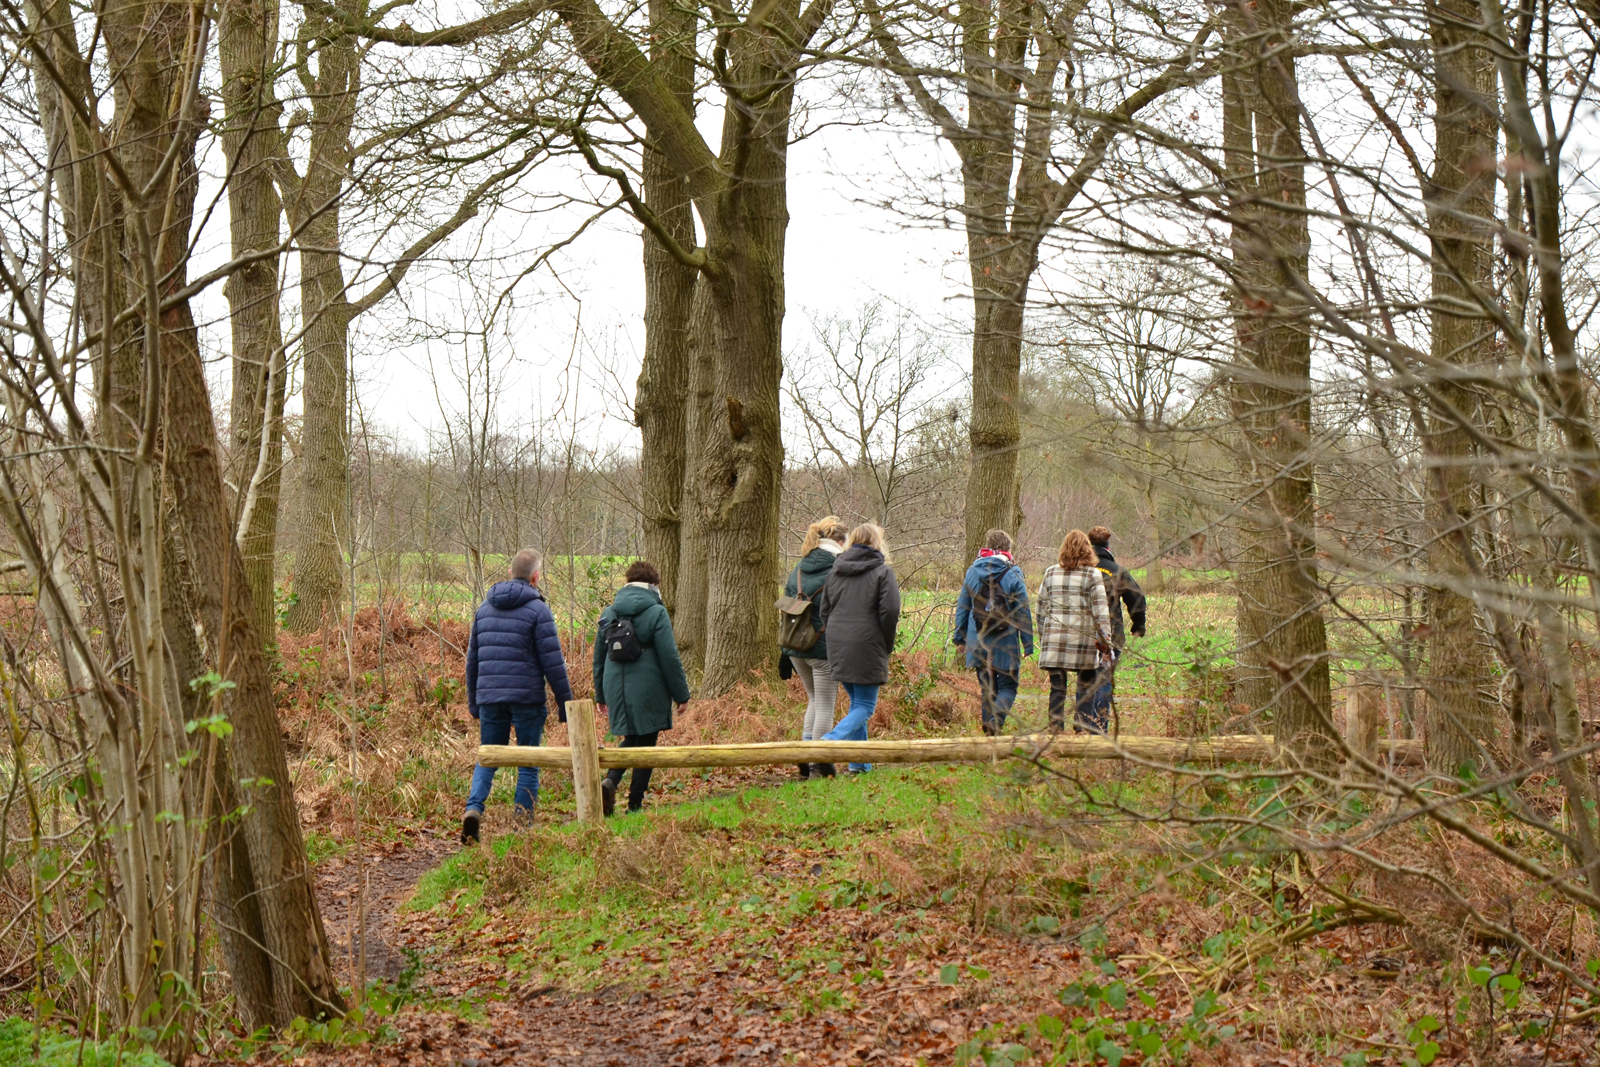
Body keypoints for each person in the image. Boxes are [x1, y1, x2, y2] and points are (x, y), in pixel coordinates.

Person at [462, 548, 572, 844]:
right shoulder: (539, 610)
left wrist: (474, 702)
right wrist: (566, 706)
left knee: (488, 757)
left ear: (510, 573)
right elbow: (553, 664)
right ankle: (522, 829)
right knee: (528, 761)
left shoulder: (484, 609)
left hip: (490, 697)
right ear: (536, 577)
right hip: (527, 699)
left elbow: (472, 661)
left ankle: (473, 809)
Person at [593, 560, 691, 815]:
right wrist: (681, 695)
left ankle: (611, 780)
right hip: (648, 685)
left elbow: (599, 657)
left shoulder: (609, 612)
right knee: (645, 742)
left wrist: (600, 695)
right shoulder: (656, 612)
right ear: (654, 585)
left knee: (630, 738)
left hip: (615, 684)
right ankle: (635, 804)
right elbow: (669, 656)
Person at [816, 523, 901, 774]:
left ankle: (859, 763)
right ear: (877, 543)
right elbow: (890, 612)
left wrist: (836, 634)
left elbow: (824, 611)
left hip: (837, 643)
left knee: (857, 703)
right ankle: (828, 742)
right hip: (867, 644)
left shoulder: (835, 571)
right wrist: (885, 643)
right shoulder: (883, 572)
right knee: (865, 706)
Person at [780, 516, 849, 780]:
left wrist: (783, 653)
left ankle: (806, 755)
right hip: (822, 648)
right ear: (840, 541)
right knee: (826, 705)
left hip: (796, 647)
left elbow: (787, 608)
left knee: (814, 699)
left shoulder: (799, 567)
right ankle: (819, 763)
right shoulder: (837, 568)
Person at [952, 529, 1035, 735]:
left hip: (978, 639)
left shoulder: (973, 571)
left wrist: (960, 639)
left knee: (987, 689)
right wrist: (1027, 643)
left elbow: (963, 607)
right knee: (1008, 686)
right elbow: (1023, 610)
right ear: (1008, 549)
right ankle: (995, 721)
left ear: (988, 546)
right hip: (1006, 641)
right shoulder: (1013, 572)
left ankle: (989, 733)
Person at [1036, 530, 1114, 733]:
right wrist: (1105, 641)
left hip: (1054, 641)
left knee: (1057, 689)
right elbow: (1101, 612)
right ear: (1088, 550)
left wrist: (1044, 637)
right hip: (1083, 641)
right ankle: (1081, 730)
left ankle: (1055, 731)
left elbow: (1040, 609)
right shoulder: (1092, 574)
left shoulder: (1050, 573)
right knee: (1086, 688)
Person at [1086, 525, 1147, 724]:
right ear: (1108, 546)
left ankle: (1084, 727)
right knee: (1103, 681)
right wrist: (1138, 625)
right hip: (1111, 635)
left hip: (1082, 633)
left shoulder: (1079, 569)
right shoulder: (1117, 571)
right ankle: (1099, 727)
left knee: (1085, 681)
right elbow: (1136, 598)